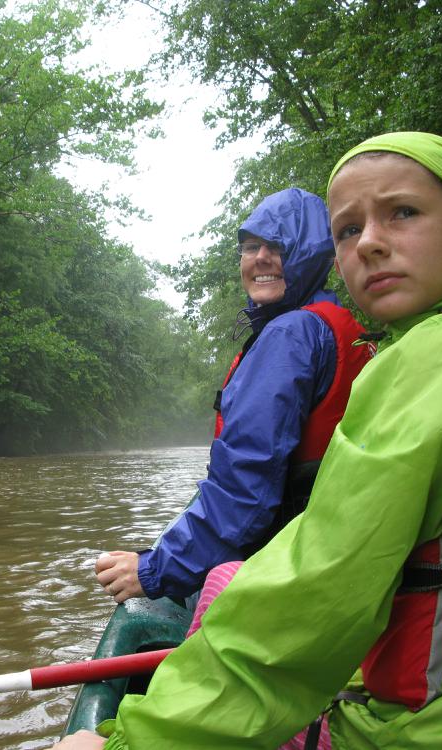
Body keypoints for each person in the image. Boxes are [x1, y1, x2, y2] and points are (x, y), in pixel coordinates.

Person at [53, 132, 442, 749]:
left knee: (222, 587)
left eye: (402, 213)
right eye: (350, 229)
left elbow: (315, 583)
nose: (371, 242)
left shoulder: (431, 356)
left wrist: (131, 738)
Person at [96, 188, 372, 604]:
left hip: (290, 560)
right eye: (250, 247)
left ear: (311, 255)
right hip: (329, 546)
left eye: (278, 246)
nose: (260, 258)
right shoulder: (334, 326)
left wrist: (154, 568)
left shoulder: (290, 335)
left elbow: (246, 485)